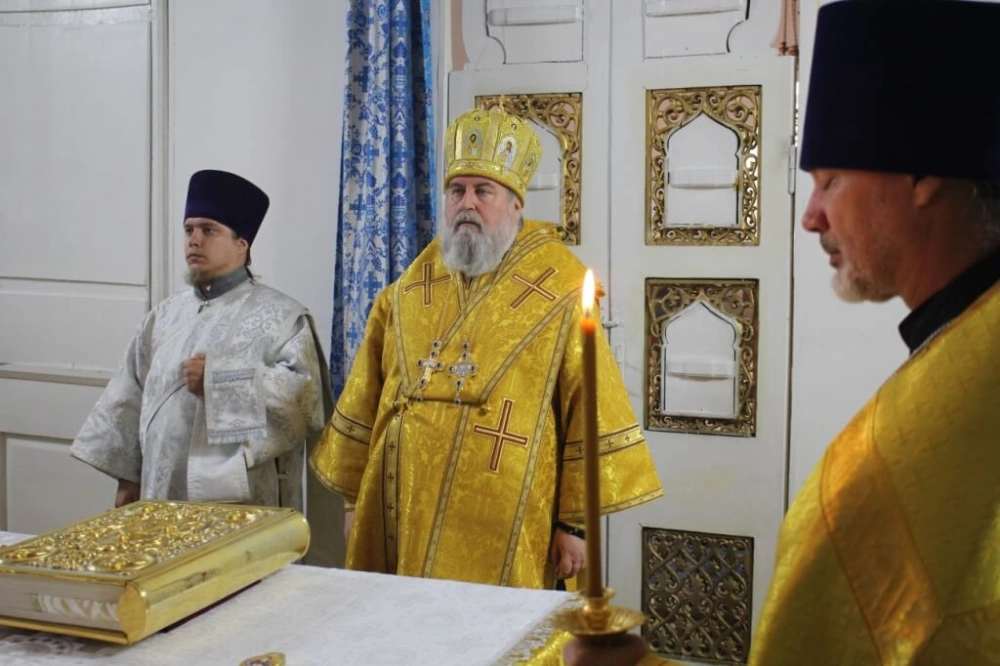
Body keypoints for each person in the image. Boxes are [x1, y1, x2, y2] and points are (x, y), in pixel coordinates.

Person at [565, 0, 1000, 663]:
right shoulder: (968, 348)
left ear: (921, 177)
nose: (811, 216)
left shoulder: (937, 425)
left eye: (831, 180)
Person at [309, 107, 663, 589]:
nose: (467, 203)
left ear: (515, 204)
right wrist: (356, 504)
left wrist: (575, 524)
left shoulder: (561, 286)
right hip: (401, 512)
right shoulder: (408, 288)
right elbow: (367, 395)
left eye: (483, 191)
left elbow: (589, 404)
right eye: (457, 191)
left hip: (507, 517)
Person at [71, 169, 333, 513]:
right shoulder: (163, 316)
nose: (194, 240)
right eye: (189, 230)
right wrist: (128, 477)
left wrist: (217, 381)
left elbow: (303, 402)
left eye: (209, 230)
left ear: (242, 243)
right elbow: (128, 395)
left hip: (240, 500)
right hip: (160, 489)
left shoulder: (282, 317)